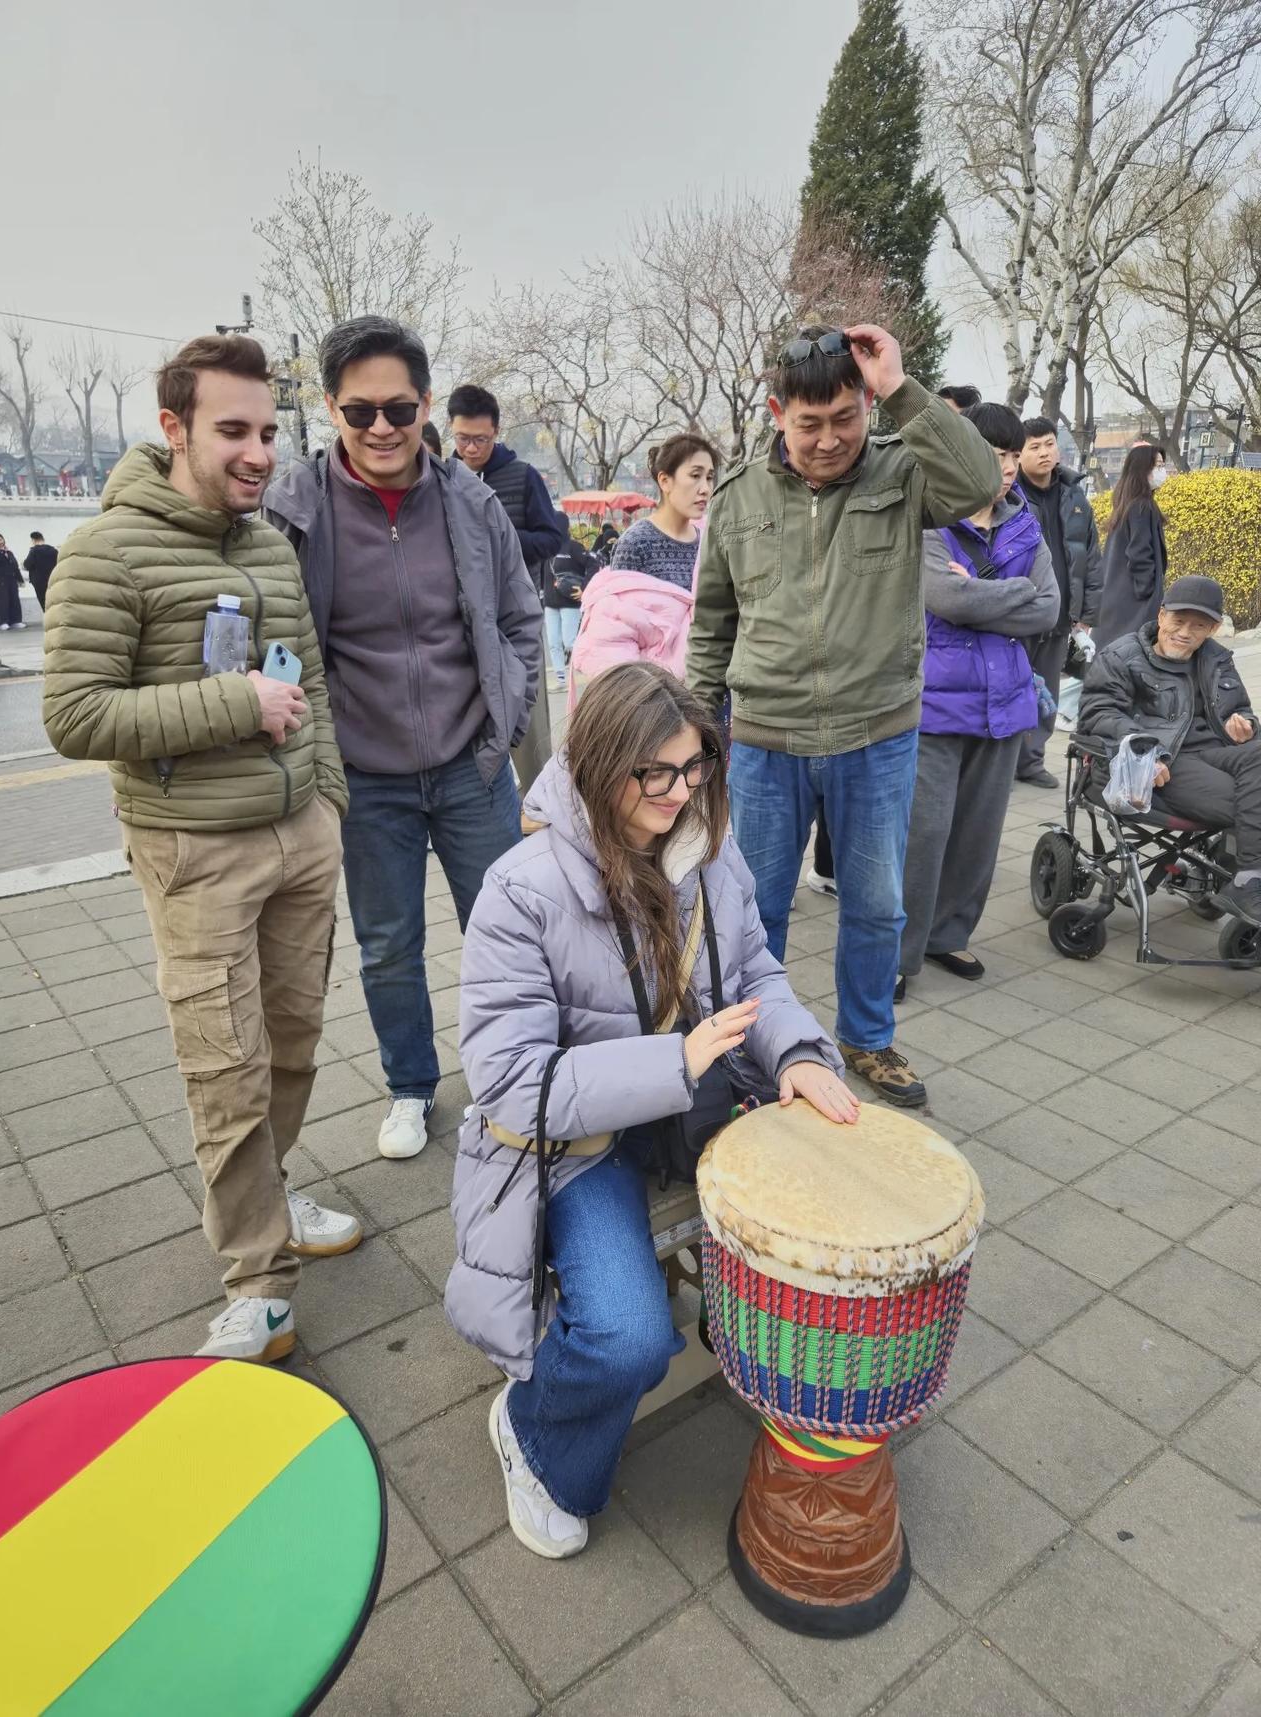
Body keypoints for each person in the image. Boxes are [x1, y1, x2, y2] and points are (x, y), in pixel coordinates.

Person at [447, 662, 857, 1558]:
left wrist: (793, 1053)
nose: (682, 794)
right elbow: (511, 1079)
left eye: (696, 768)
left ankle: (747, 1343)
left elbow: (755, 976)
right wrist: (671, 1061)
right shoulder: (522, 889)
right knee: (631, 1337)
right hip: (580, 1146)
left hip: (703, 1104)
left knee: (831, 1219)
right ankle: (533, 1428)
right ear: (600, 763)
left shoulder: (708, 848)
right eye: (657, 774)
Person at [42, 334, 356, 1363]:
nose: (259, 452)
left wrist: (329, 806)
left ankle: (272, 1190)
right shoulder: (106, 551)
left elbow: (307, 682)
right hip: (195, 856)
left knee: (296, 1042)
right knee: (226, 1070)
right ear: (173, 428)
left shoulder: (266, 543)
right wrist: (232, 703)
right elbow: (76, 714)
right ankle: (257, 1275)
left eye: (268, 431)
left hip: (299, 838)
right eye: (233, 431)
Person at [686, 324, 1001, 1107]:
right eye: (809, 423)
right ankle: (760, 1046)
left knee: (876, 903)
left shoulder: (903, 473)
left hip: (877, 736)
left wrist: (899, 385)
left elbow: (976, 484)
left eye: (847, 417)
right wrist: (692, 734)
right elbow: (712, 624)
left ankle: (866, 1036)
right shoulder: (737, 497)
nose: (829, 440)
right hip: (765, 742)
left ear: (865, 405)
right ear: (776, 412)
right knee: (753, 907)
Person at [264, 318, 542, 1163]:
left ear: (426, 403)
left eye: (398, 407)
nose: (381, 428)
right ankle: (412, 1086)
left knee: (506, 931)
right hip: (365, 778)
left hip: (472, 765)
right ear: (331, 409)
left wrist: (510, 714)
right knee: (388, 946)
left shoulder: (472, 499)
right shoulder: (295, 508)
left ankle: (515, 1073)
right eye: (359, 411)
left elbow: (520, 619)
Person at [898, 405, 1059, 998]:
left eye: (1015, 454)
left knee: (978, 835)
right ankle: (897, 951)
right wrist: (1015, 592)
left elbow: (1049, 608)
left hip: (1006, 701)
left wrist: (986, 592)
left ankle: (948, 934)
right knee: (923, 837)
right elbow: (944, 597)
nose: (1010, 467)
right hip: (934, 705)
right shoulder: (930, 521)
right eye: (997, 454)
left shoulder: (1025, 523)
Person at [1079, 576, 1261, 923]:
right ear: (1161, 616)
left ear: (1214, 627)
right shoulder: (1122, 655)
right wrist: (1148, 753)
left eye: (1199, 625)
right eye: (1178, 621)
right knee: (1248, 804)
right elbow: (1099, 712)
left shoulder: (1217, 658)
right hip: (1166, 762)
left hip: (1216, 751)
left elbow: (1241, 707)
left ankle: (1246, 881)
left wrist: (1246, 724)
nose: (1185, 632)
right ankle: (1248, 880)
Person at [447, 383, 560, 793]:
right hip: (461, 621)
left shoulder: (523, 476)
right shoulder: (445, 479)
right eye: (463, 439)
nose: (472, 448)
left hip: (515, 618)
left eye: (481, 439)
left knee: (529, 721)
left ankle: (539, 801)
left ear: (496, 432)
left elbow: (551, 537)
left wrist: (502, 539)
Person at [1014, 416, 1103, 787]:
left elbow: (1091, 558)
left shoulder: (1075, 497)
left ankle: (1031, 761)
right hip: (1018, 615)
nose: (1044, 453)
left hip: (1060, 614)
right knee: (1012, 686)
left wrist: (1086, 614)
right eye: (1034, 447)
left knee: (1046, 691)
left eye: (1049, 443)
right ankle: (1001, 760)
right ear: (1018, 455)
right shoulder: (1008, 494)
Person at [609, 435, 719, 592]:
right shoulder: (635, 544)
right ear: (665, 481)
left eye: (709, 477)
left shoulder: (709, 542)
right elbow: (618, 611)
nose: (705, 489)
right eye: (695, 476)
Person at [1093, 444, 1168, 649]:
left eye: (1163, 465)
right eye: (1157, 466)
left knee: (1112, 650)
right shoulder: (1142, 506)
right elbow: (1139, 553)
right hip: (1134, 599)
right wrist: (1148, 592)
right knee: (1132, 650)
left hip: (1117, 594)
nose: (1163, 471)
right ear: (1141, 468)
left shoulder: (1126, 503)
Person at [544, 509, 596, 687]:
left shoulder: (573, 547)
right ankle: (561, 679)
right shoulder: (546, 548)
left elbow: (593, 564)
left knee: (570, 642)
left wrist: (584, 589)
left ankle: (590, 673)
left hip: (569, 603)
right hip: (550, 603)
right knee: (553, 642)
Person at [0, 533, 25, 629]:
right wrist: (2, 551)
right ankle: (2, 622)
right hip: (0, 580)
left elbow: (15, 566)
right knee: (2, 601)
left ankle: (16, 621)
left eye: (1, 539)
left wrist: (20, 579)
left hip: (12, 579)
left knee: (14, 600)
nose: (0, 542)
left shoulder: (9, 552)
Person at [23, 532, 59, 610]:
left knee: (44, 603)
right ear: (43, 539)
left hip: (39, 582)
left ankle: (48, 620)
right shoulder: (53, 550)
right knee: (54, 602)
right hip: (53, 580)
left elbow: (27, 565)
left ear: (33, 540)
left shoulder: (34, 550)